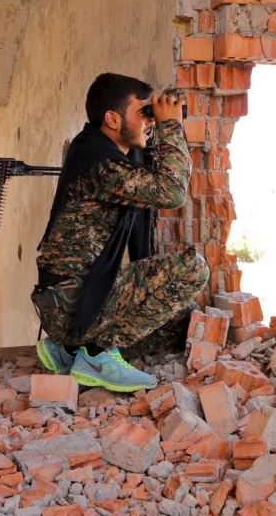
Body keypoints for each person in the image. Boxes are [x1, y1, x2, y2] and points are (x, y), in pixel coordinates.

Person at [33, 73, 209, 392]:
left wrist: (161, 112)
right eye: (142, 113)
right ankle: (96, 354)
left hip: (67, 299)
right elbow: (172, 191)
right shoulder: (102, 164)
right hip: (71, 302)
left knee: (175, 323)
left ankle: (69, 349)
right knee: (192, 270)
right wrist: (171, 126)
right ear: (113, 119)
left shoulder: (93, 150)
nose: (150, 121)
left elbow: (148, 167)